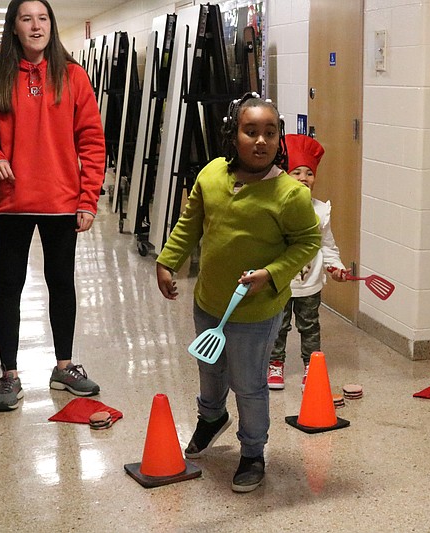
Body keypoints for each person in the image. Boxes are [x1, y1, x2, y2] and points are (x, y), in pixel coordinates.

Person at [156, 93, 320, 492]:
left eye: (270, 132)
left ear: (279, 139)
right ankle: (211, 417)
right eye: (251, 132)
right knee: (210, 369)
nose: (261, 141)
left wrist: (271, 273)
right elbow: (189, 223)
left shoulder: (289, 194)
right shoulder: (211, 175)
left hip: (256, 310)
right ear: (233, 135)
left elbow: (307, 241)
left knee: (249, 384)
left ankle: (252, 451)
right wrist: (166, 262)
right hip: (208, 301)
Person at [0, 0, 106, 412]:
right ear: (14, 27)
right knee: (8, 286)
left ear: (52, 25)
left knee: (61, 282)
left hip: (61, 201)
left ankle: (63, 366)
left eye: (43, 18)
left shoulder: (73, 76)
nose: (36, 26)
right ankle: (10, 375)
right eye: (26, 18)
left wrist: (88, 199)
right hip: (11, 201)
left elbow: (92, 142)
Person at [267, 133, 346, 390]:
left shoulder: (321, 210)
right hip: (280, 282)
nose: (303, 178)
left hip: (310, 282)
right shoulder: (275, 207)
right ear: (283, 176)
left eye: (309, 173)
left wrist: (336, 266)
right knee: (278, 326)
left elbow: (327, 245)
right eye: (296, 172)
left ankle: (313, 367)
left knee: (310, 326)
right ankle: (275, 363)